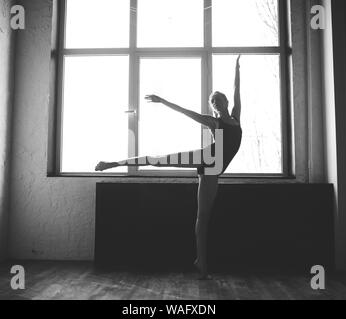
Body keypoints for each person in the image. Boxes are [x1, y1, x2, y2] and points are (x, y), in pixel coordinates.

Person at [96, 56, 243, 279]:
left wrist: (237, 68)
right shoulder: (214, 122)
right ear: (213, 109)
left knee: (204, 217)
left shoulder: (236, 117)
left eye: (219, 101)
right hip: (208, 161)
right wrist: (162, 101)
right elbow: (185, 111)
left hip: (214, 170)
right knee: (157, 159)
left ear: (226, 102)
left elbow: (237, 91)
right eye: (213, 103)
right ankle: (112, 163)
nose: (217, 104)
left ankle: (200, 261)